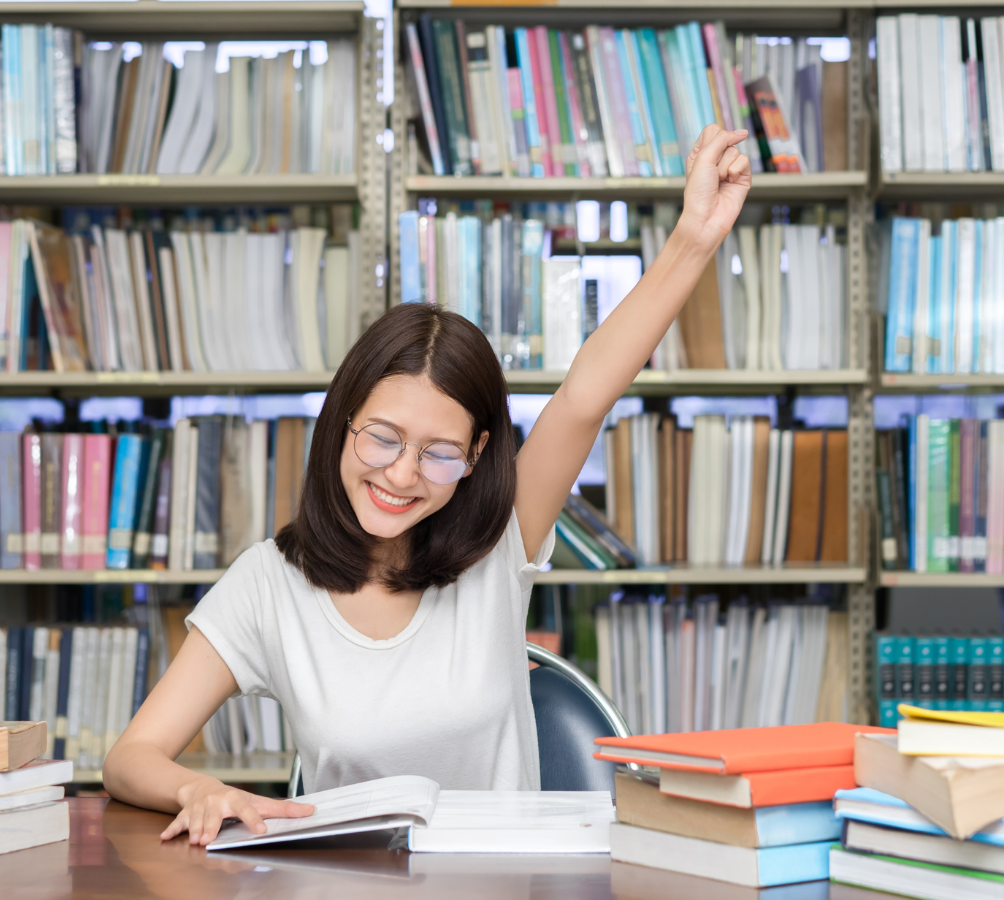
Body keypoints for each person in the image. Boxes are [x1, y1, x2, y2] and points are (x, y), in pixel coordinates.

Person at [103, 125, 752, 846]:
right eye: (382, 438)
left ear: (477, 455)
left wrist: (694, 237)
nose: (402, 476)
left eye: (440, 452)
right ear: (342, 421)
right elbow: (131, 758)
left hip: (506, 888)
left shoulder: (500, 544)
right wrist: (198, 786)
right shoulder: (269, 584)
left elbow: (583, 397)